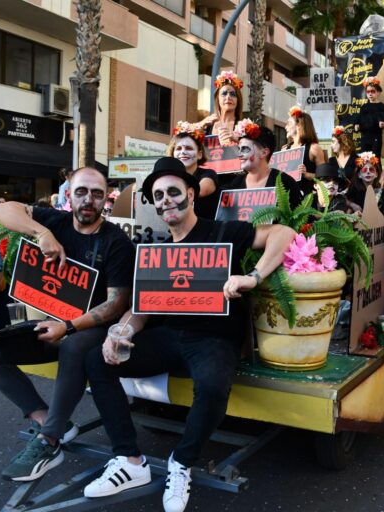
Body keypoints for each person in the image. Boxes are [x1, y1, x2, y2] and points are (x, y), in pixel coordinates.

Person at [82, 157, 295, 512]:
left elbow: (283, 234)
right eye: (158, 195)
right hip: (170, 336)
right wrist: (121, 330)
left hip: (214, 339)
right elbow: (143, 307)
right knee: (96, 360)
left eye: (173, 191)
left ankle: (181, 463)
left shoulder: (224, 232)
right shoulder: (158, 251)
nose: (166, 200)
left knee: (211, 385)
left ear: (191, 194)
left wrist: (252, 277)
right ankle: (129, 460)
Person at [0, 167, 135, 482]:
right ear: (68, 195)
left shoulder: (115, 241)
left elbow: (117, 304)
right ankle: (48, 419)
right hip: (52, 323)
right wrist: (42, 233)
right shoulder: (54, 221)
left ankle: (49, 440)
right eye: (81, 192)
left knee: (74, 345)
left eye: (97, 194)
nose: (88, 200)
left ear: (105, 199)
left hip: (89, 331)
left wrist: (68, 326)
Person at [225, 119, 302, 209]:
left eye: (245, 149)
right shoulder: (235, 184)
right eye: (239, 149)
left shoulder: (285, 182)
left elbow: (301, 215)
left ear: (264, 153)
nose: (239, 155)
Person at [167, 121, 219, 219]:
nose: (183, 152)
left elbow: (200, 191)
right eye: (178, 149)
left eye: (189, 148)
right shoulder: (169, 176)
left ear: (199, 154)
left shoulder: (209, 174)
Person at [284, 106, 327, 196]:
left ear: (299, 125)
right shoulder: (284, 149)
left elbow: (324, 177)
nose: (285, 127)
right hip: (286, 199)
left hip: (307, 199)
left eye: (289, 123)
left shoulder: (314, 148)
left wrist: (306, 174)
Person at [195, 70, 243, 147]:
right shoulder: (208, 125)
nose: (228, 97)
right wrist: (201, 124)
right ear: (217, 99)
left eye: (233, 94)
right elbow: (182, 137)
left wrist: (237, 140)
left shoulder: (244, 126)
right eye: (224, 94)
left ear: (238, 100)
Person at [354, 76, 384, 159]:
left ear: (378, 92)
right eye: (368, 92)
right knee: (363, 158)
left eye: (373, 91)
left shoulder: (382, 106)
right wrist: (357, 125)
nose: (370, 94)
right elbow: (358, 120)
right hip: (364, 137)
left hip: (376, 137)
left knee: (375, 158)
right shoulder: (364, 107)